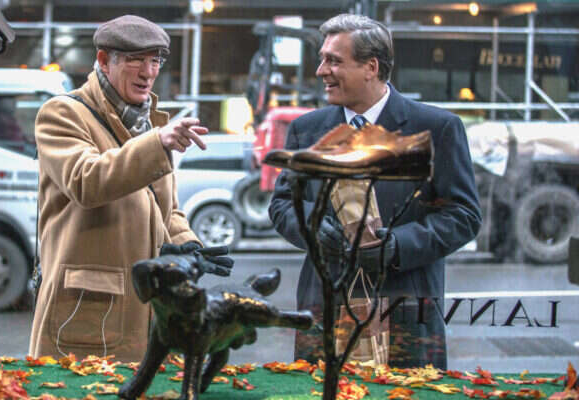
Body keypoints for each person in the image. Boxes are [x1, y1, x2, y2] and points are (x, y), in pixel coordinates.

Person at [269, 13, 482, 369]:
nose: (321, 71)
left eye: (334, 61)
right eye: (322, 59)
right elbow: (282, 206)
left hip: (405, 313)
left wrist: (397, 246)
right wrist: (311, 226)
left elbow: (463, 216)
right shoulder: (306, 130)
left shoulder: (436, 128)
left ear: (371, 67)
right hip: (324, 311)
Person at [29, 15, 232, 362]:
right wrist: (156, 142)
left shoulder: (148, 124)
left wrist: (187, 244)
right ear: (104, 60)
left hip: (150, 308)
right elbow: (86, 181)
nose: (148, 72)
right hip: (85, 309)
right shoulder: (62, 113)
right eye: (136, 60)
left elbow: (165, 207)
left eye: (155, 61)